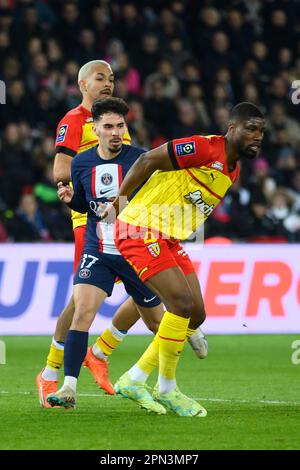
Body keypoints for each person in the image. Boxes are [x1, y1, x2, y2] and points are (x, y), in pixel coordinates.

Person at [36, 59, 208, 408]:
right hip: (94, 230)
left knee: (153, 313)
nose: (109, 83)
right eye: (101, 78)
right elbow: (61, 170)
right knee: (81, 303)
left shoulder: (127, 142)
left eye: (112, 78)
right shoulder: (74, 122)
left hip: (132, 233)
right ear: (83, 84)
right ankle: (56, 376)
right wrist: (77, 194)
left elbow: (140, 174)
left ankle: (106, 353)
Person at [104, 102, 265, 417]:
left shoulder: (233, 170)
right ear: (232, 128)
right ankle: (166, 389)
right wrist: (118, 203)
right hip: (140, 227)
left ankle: (135, 378)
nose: (257, 136)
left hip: (168, 236)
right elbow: (148, 159)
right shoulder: (204, 148)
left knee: (195, 314)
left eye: (261, 131)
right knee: (180, 303)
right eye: (251, 129)